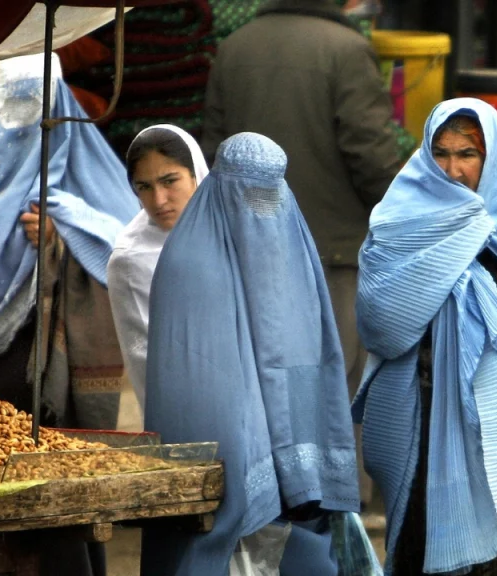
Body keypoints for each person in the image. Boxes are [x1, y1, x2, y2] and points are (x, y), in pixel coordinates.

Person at [354, 98, 497, 575]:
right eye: (441, 152)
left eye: (468, 154)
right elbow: (382, 321)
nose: (454, 169)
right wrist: (460, 242)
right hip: (432, 414)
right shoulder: (401, 222)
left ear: (494, 157)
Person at [200, 0, 400, 508]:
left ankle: (268, 504)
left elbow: (214, 150)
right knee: (335, 388)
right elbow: (370, 153)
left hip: (247, 252)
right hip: (332, 251)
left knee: (262, 386)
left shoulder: (235, 47)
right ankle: (337, 510)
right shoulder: (348, 50)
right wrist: (401, 215)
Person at [143, 133, 361, 576]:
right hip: (231, 454)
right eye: (249, 193)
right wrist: (255, 460)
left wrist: (299, 460)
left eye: (269, 192)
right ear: (221, 186)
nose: (260, 207)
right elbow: (207, 384)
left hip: (290, 474)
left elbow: (305, 359)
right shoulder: (190, 261)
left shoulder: (291, 244)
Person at [0, 52, 139, 432]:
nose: (23, 120)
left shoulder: (94, 173)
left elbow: (134, 254)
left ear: (60, 108)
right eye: (13, 104)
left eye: (35, 103)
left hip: (52, 364)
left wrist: (66, 238)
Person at [106, 125, 209, 426]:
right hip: (185, 410)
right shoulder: (130, 259)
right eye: (144, 187)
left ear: (196, 175)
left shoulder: (230, 230)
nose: (159, 200)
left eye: (169, 181)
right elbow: (150, 359)